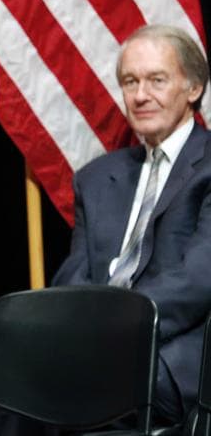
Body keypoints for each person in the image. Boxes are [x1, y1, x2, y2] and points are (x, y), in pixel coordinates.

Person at [53, 24, 211, 425]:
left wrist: (112, 328)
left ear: (193, 88)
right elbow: (74, 274)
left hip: (173, 357)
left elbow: (197, 281)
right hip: (99, 345)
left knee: (60, 378)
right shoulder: (95, 178)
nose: (141, 95)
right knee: (5, 366)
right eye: (130, 81)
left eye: (157, 80)